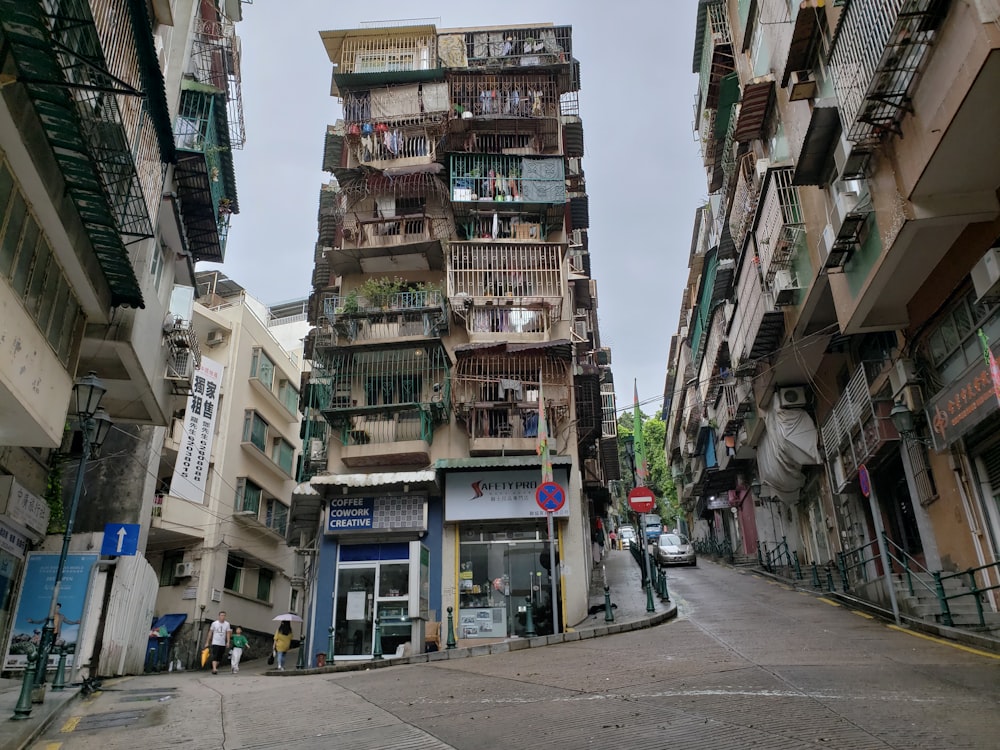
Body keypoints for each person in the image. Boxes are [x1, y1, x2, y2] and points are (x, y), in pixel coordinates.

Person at [204, 611, 231, 675]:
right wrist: (207, 642)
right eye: (221, 615)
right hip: (215, 642)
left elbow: (228, 633)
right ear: (219, 616)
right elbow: (210, 632)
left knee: (219, 657)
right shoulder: (214, 623)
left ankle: (214, 667)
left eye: (224, 615)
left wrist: (228, 642)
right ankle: (214, 668)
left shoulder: (227, 624)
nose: (223, 617)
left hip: (222, 643)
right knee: (215, 655)